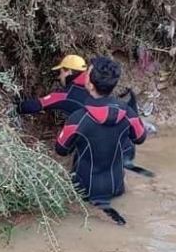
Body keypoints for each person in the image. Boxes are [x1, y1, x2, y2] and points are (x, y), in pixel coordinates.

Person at [55, 57, 147, 224]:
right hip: (117, 187)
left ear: (89, 84)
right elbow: (140, 138)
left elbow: (61, 149)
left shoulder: (78, 118)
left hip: (84, 191)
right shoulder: (127, 112)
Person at [16, 54, 90, 117]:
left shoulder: (67, 94)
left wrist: (17, 107)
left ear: (68, 71)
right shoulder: (97, 85)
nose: (59, 77)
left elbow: (31, 106)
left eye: (60, 72)